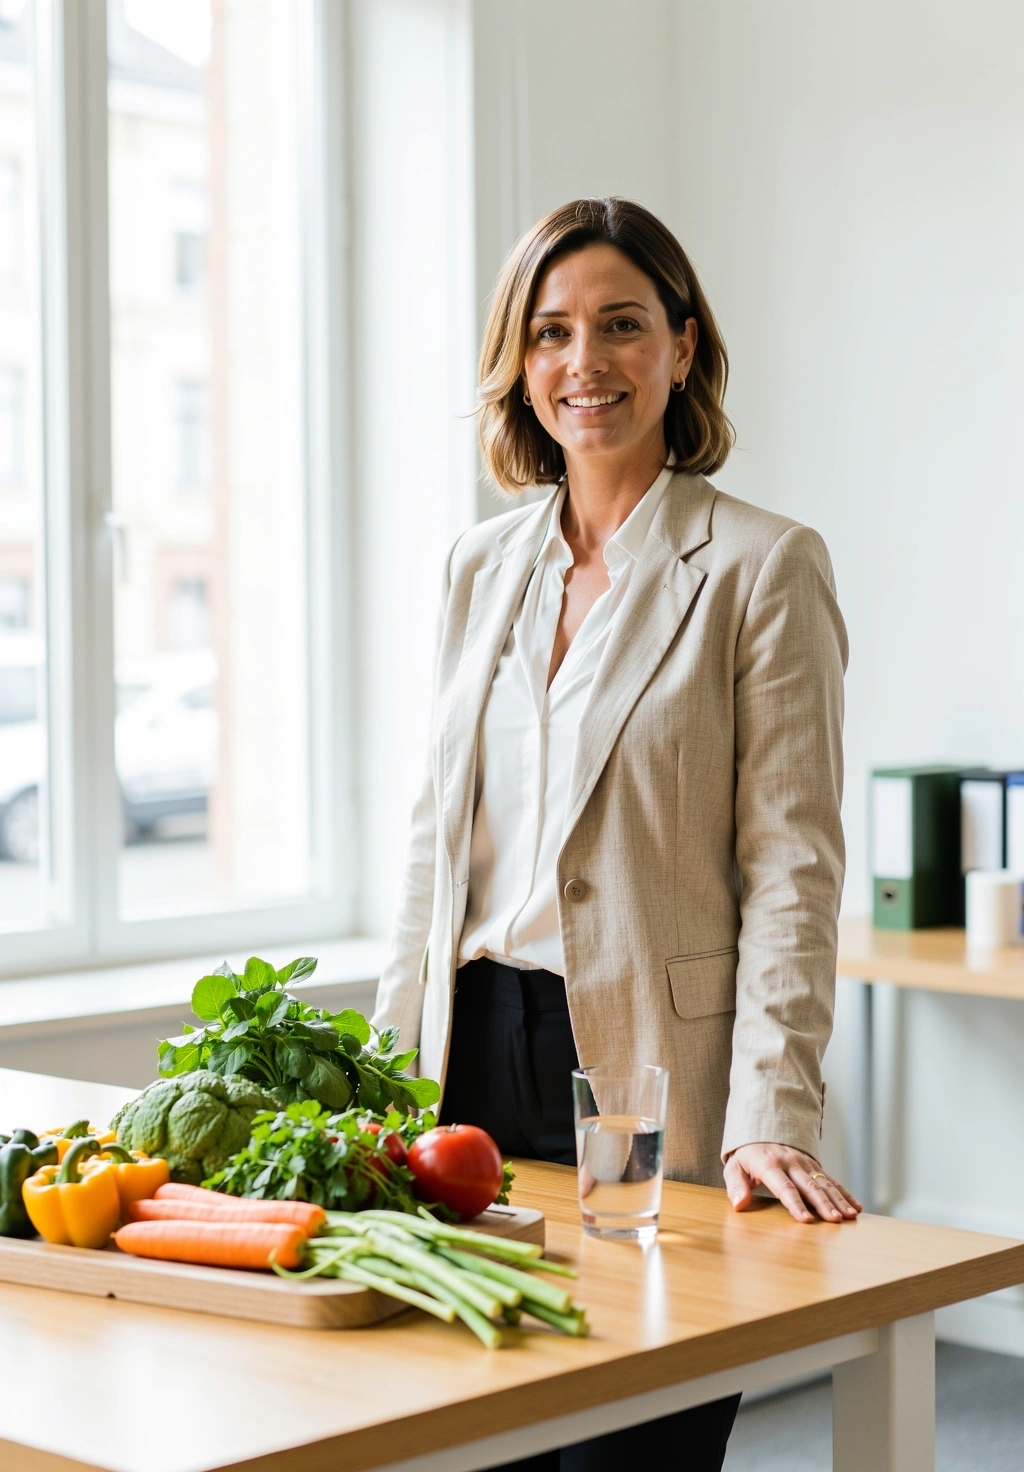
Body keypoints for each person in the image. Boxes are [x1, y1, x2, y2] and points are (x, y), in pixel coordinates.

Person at [373, 196, 860, 1470]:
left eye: (621, 325)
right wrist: (379, 1079)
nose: (583, 362)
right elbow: (435, 847)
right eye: (549, 332)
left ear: (682, 347)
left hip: (647, 1070)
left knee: (631, 1446)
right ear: (518, 361)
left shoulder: (762, 564)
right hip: (466, 1061)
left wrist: (773, 1107)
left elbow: (794, 868)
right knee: (478, 1439)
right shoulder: (478, 567)